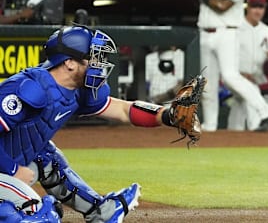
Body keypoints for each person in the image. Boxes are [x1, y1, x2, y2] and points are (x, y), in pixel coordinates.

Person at [0, 25, 194, 222]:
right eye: (91, 58)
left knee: (47, 155)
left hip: (7, 171)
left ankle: (102, 213)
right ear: (69, 63)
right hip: (6, 172)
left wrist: (167, 115)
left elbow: (123, 110)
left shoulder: (77, 90)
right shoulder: (29, 88)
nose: (97, 64)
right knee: (40, 216)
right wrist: (14, 170)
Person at [196, 0, 268, 132]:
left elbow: (222, 5)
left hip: (227, 33)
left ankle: (265, 111)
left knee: (230, 76)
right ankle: (211, 125)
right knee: (207, 84)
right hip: (205, 33)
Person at [227, 0, 268, 130]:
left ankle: (233, 133)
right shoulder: (235, 27)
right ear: (247, 7)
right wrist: (239, 73)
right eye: (254, 7)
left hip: (255, 76)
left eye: (261, 7)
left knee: (241, 103)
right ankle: (258, 125)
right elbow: (226, 54)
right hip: (235, 75)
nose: (258, 11)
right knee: (252, 92)